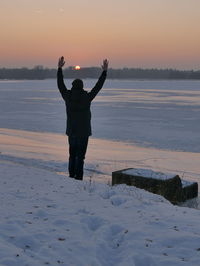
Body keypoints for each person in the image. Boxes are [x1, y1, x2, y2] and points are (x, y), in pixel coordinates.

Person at [57, 56, 108, 180]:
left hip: (72, 132)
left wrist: (59, 69)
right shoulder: (86, 97)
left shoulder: (67, 96)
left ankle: (71, 176)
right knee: (80, 156)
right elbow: (98, 87)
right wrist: (104, 72)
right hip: (84, 132)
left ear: (73, 86)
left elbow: (60, 85)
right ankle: (78, 178)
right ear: (82, 86)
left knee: (72, 155)